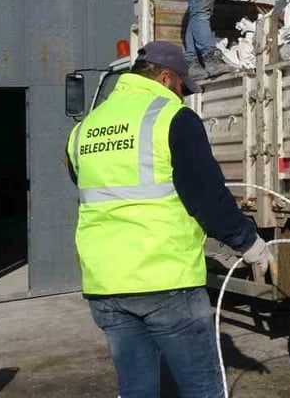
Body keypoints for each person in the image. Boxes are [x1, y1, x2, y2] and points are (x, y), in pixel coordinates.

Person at [66, 41, 273, 398]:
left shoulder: (85, 128)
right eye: (182, 87)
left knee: (137, 390)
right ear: (165, 77)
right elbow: (207, 199)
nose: (184, 96)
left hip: (105, 286)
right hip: (164, 279)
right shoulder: (172, 118)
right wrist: (249, 243)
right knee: (201, 389)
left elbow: (83, 182)